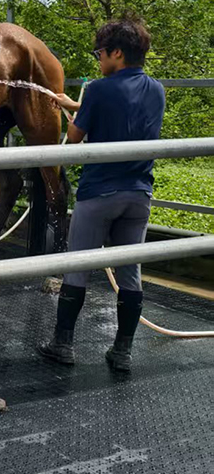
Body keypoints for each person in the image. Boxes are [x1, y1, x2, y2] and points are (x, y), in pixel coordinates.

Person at [39, 18, 165, 373]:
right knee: (130, 272)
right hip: (138, 193)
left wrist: (71, 118)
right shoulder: (157, 89)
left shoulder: (97, 89)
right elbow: (123, 113)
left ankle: (62, 344)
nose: (98, 60)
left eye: (100, 53)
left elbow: (75, 138)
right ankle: (122, 352)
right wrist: (74, 104)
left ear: (117, 53)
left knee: (77, 267)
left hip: (99, 193)